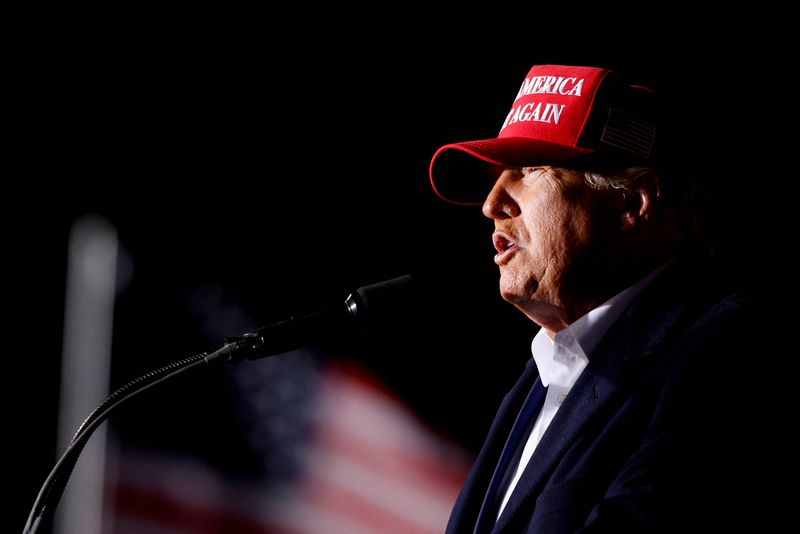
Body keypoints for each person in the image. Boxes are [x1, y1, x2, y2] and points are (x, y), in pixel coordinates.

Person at [428, 64, 778, 532]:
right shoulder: (543, 372)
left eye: (530, 169)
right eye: (498, 175)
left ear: (633, 203)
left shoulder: (727, 355)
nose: (492, 203)